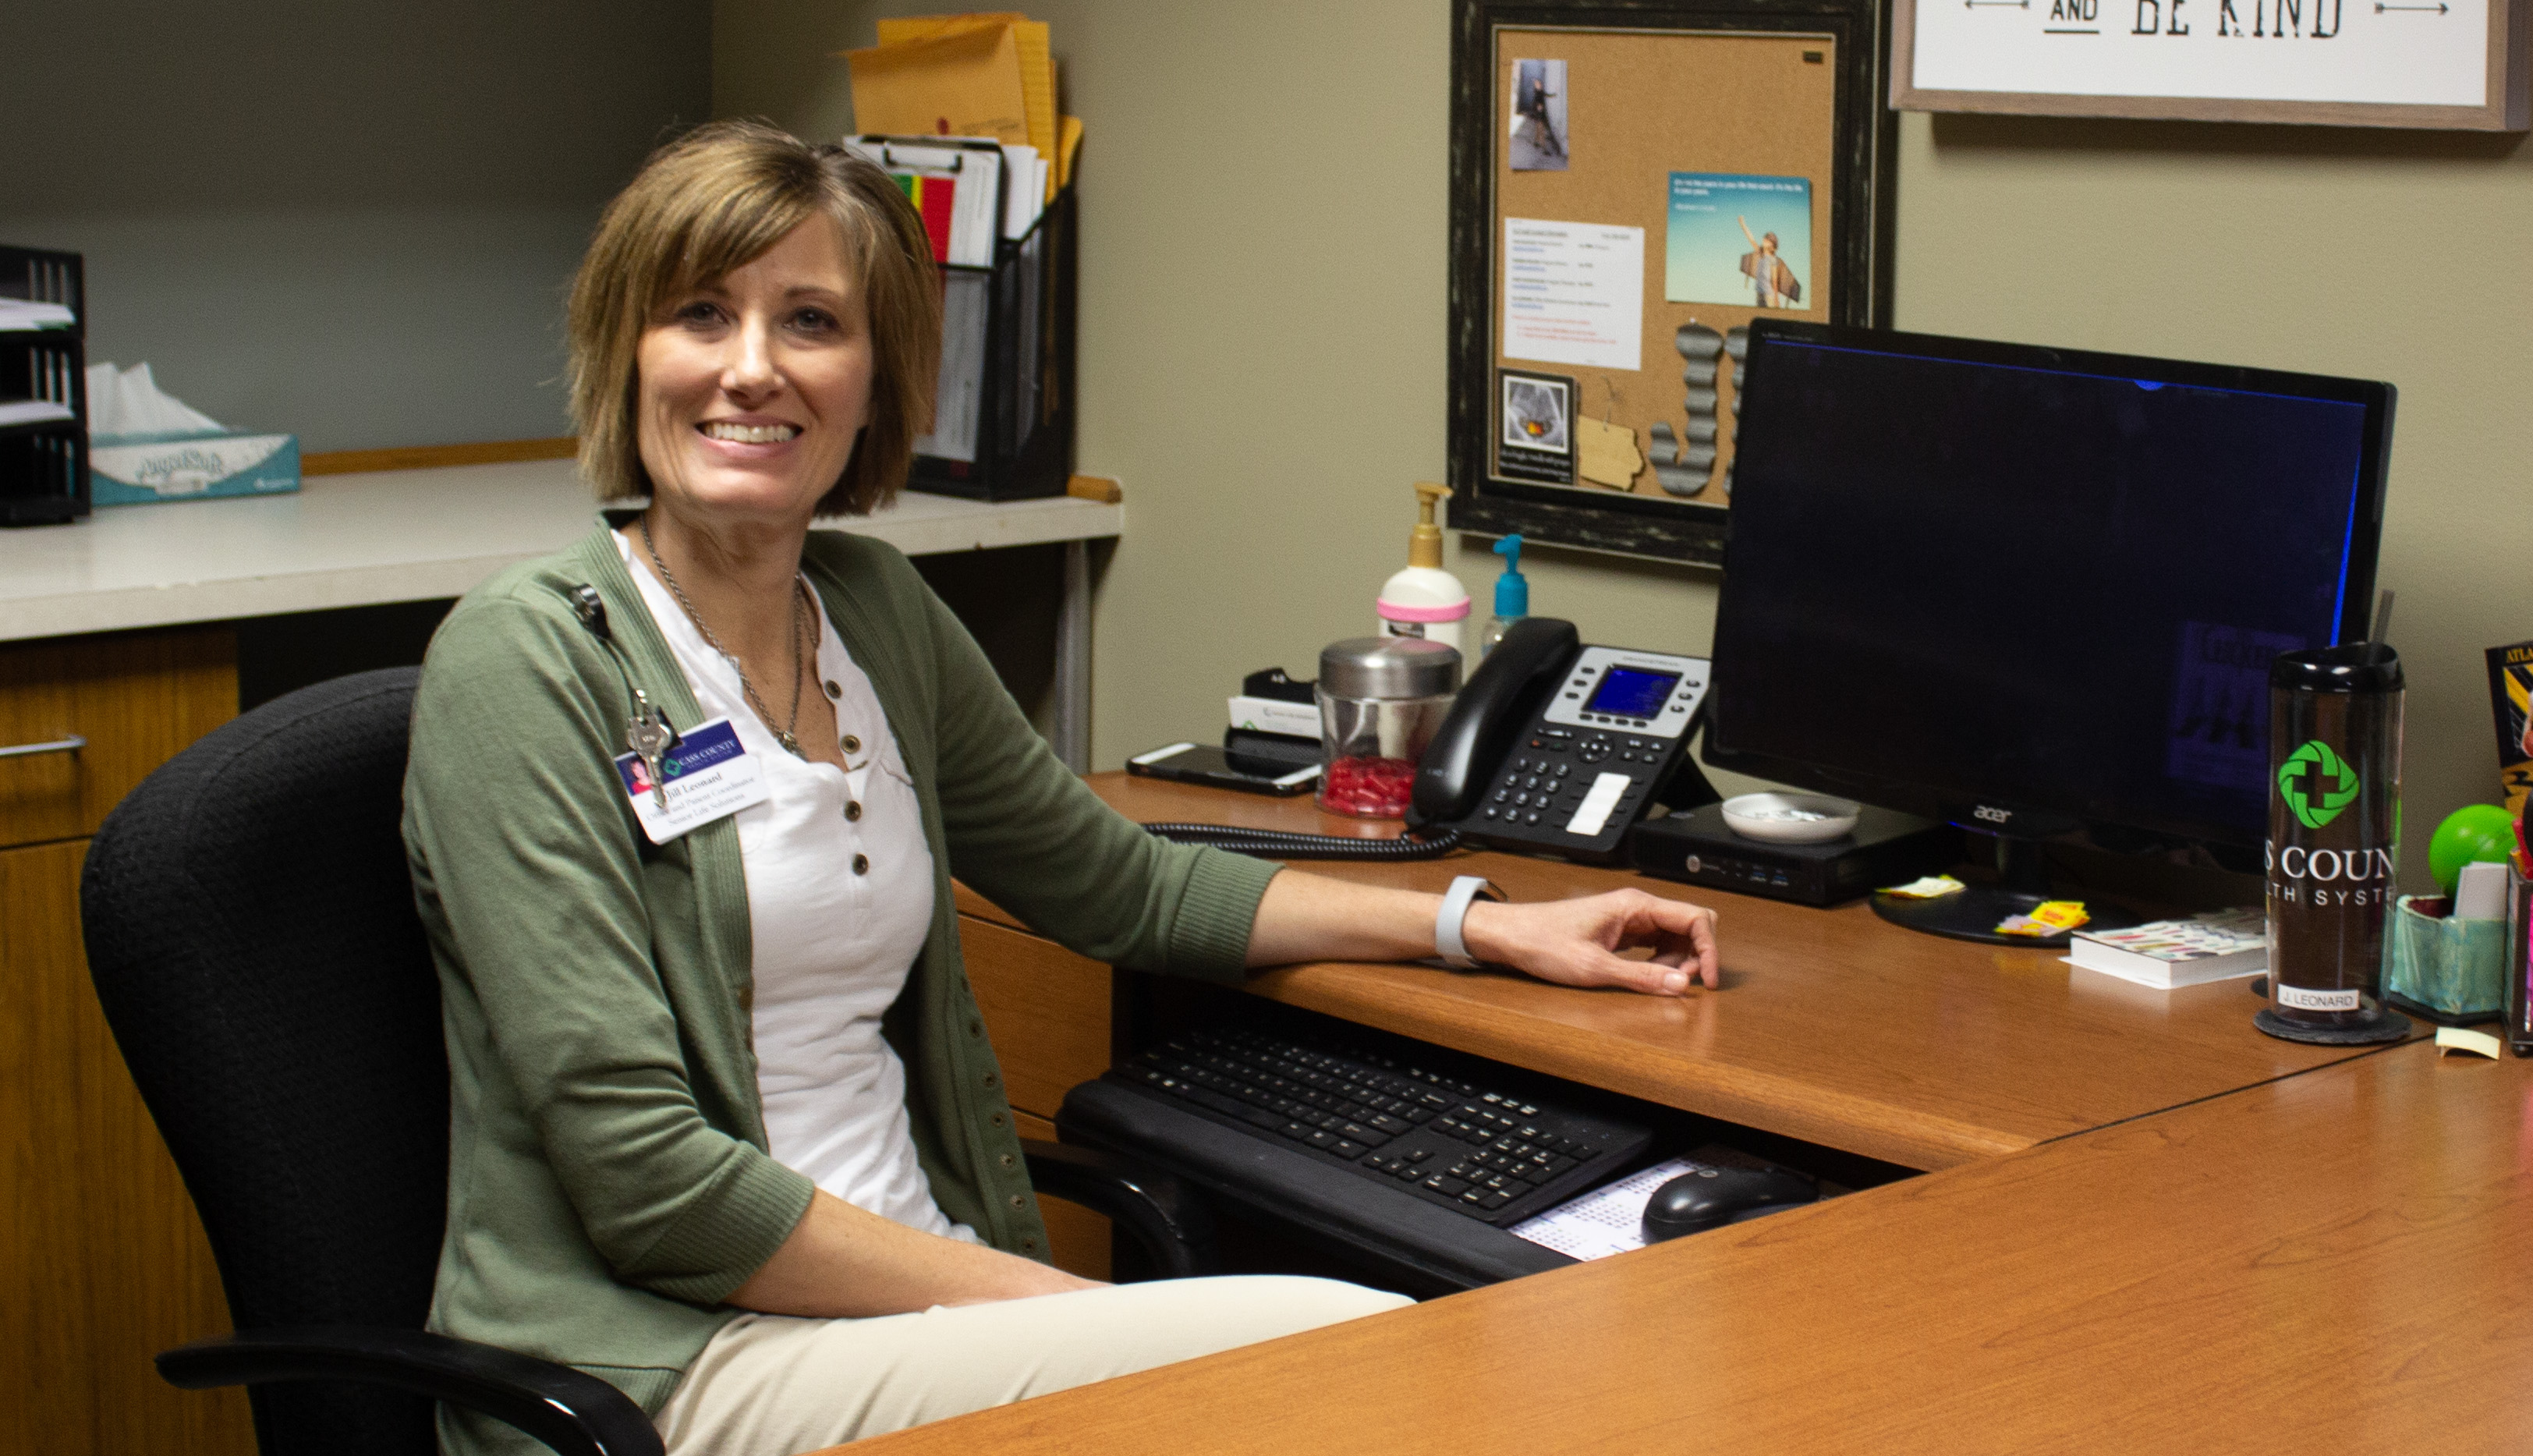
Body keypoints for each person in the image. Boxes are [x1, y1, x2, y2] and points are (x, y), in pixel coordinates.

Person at [403, 120, 1720, 1456]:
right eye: (700, 315)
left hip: (917, 1293)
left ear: (875, 378)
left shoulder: (870, 611)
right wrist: (1054, 1318)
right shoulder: (524, 665)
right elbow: (650, 1188)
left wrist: (1480, 923)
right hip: (671, 1363)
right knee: (1365, 1363)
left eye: (810, 321)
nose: (752, 370)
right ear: (629, 350)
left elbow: (1118, 881)